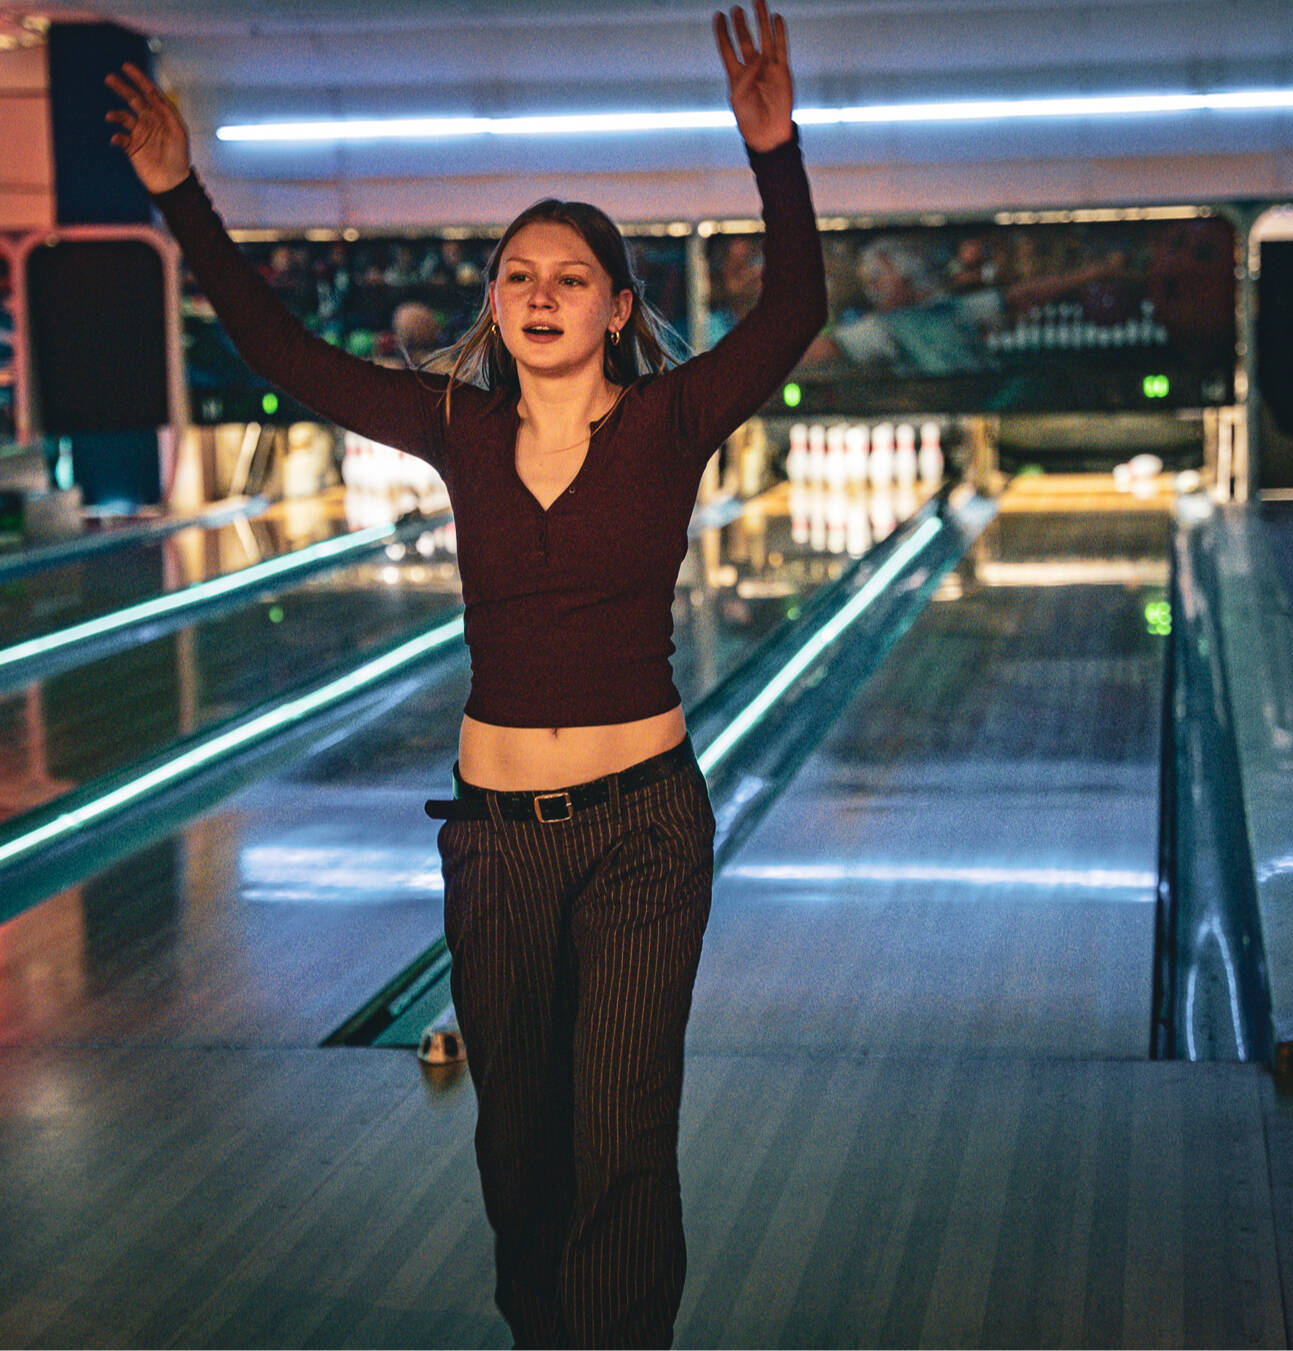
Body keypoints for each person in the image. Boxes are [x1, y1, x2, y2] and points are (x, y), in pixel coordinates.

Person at [106, 5, 824, 1345]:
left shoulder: (670, 421)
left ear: (618, 308)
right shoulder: (457, 425)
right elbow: (283, 355)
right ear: (495, 303)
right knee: (521, 1151)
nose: (540, 294)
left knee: (622, 1139)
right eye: (518, 275)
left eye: (571, 277)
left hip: (645, 830)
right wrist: (180, 195)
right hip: (496, 843)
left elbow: (794, 311)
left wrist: (773, 152)